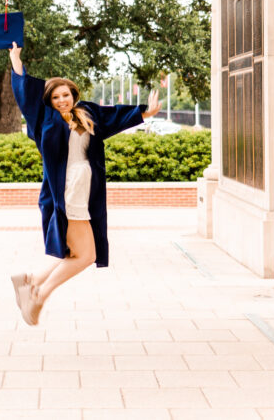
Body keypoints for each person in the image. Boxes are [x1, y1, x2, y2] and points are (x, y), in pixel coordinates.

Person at [8, 42, 161, 325]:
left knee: (74, 251)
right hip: (66, 191)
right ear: (50, 101)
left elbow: (114, 116)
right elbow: (25, 95)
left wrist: (144, 113)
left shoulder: (86, 113)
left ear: (73, 94)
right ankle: (38, 295)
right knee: (86, 254)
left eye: (65, 94)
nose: (62, 100)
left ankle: (30, 280)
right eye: (56, 97)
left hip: (84, 189)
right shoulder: (44, 119)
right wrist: (17, 62)